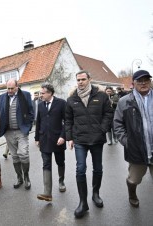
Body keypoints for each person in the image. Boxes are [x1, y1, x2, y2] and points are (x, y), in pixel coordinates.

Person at [65, 70, 113, 218]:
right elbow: (68, 120)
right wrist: (70, 138)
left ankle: (96, 194)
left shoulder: (101, 95)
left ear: (89, 79)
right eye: (78, 80)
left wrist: (102, 129)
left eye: (83, 79)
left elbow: (108, 113)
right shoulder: (71, 99)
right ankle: (82, 203)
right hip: (80, 139)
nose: (80, 82)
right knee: (80, 169)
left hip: (97, 139)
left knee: (98, 168)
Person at [114, 70, 153, 208]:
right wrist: (126, 141)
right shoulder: (125, 101)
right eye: (140, 81)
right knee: (134, 179)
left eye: (146, 80)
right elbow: (117, 124)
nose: (144, 83)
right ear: (133, 84)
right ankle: (132, 194)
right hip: (136, 148)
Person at [0, 79, 34, 190]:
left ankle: (27, 177)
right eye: (7, 88)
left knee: (23, 153)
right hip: (8, 132)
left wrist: (28, 126)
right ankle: (19, 178)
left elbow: (31, 112)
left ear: (17, 87)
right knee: (14, 156)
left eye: (11, 88)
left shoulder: (25, 95)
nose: (9, 91)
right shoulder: (2, 97)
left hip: (21, 131)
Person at [35, 83, 66, 202]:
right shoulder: (40, 105)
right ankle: (47, 193)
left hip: (58, 139)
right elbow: (38, 122)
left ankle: (61, 180)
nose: (40, 95)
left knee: (60, 162)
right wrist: (37, 138)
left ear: (50, 93)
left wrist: (63, 136)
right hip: (44, 139)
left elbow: (67, 121)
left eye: (42, 93)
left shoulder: (61, 103)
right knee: (46, 164)